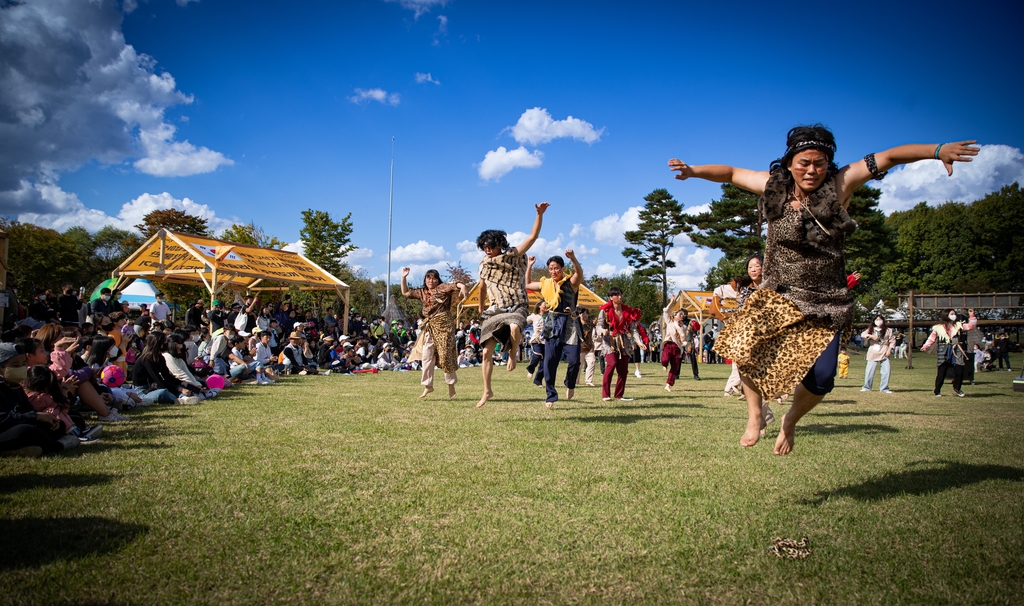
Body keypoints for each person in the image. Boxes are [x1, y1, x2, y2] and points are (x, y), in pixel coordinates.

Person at [671, 126, 978, 454]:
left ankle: (790, 420)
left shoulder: (839, 184)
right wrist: (693, 172)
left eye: (819, 163)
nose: (812, 170)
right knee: (741, 344)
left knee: (822, 378)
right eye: (804, 162)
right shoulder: (774, 186)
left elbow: (887, 157)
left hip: (825, 300)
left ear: (828, 163)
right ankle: (755, 415)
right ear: (790, 162)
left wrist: (937, 150)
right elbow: (731, 173)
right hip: (779, 292)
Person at [474, 203, 549, 408]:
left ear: (499, 245)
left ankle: (513, 354)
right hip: (496, 308)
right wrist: (481, 308)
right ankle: (487, 390)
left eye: (491, 247)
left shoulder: (513, 256)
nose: (488, 251)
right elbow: (481, 287)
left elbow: (532, 237)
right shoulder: (484, 264)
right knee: (486, 352)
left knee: (516, 327)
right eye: (485, 247)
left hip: (517, 304)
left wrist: (539, 215)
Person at [526, 250, 584, 406]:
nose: (553, 271)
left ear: (562, 268)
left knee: (574, 361)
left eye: (556, 268)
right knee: (550, 361)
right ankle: (550, 394)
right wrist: (529, 265)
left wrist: (573, 258)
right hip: (552, 322)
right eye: (551, 268)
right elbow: (528, 284)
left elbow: (579, 273)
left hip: (570, 323)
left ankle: (570, 383)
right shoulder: (545, 283)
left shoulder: (570, 283)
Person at [401, 267, 468, 399]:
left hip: (444, 326)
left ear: (438, 280)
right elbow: (405, 292)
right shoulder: (422, 292)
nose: (431, 280)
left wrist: (463, 286)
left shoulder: (442, 288)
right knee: (427, 356)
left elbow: (455, 285)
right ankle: (428, 386)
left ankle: (451, 386)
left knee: (445, 355)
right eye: (428, 277)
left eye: (434, 278)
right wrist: (403, 277)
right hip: (430, 326)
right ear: (425, 279)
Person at [596, 286, 646, 401]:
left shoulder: (626, 311)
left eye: (620, 294)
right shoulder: (605, 311)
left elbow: (633, 329)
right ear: (611, 297)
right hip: (609, 340)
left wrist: (639, 342)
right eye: (617, 295)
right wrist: (602, 331)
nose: (620, 296)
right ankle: (605, 395)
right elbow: (599, 325)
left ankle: (619, 394)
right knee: (611, 364)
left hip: (623, 341)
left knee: (623, 369)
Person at [921, 308, 977, 397]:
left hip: (956, 349)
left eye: (954, 313)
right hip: (944, 350)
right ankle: (937, 390)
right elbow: (931, 338)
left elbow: (971, 326)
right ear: (946, 315)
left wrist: (972, 316)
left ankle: (957, 387)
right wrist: (925, 346)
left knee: (960, 370)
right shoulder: (938, 328)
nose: (953, 315)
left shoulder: (958, 325)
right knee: (941, 372)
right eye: (951, 313)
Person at [660, 292, 690, 393]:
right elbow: (665, 311)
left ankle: (668, 385)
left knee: (675, 367)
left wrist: (684, 343)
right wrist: (671, 302)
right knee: (665, 358)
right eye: (679, 314)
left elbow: (683, 338)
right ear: (675, 315)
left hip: (677, 348)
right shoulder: (670, 322)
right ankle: (664, 364)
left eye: (682, 315)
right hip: (669, 344)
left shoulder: (684, 327)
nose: (681, 316)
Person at [861, 315, 895, 393]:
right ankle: (867, 387)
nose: (878, 321)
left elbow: (892, 341)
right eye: (876, 319)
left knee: (886, 370)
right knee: (869, 370)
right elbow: (863, 334)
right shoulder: (870, 329)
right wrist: (871, 336)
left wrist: (890, 350)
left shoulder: (888, 330)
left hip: (884, 350)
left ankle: (884, 388)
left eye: (880, 319)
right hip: (873, 350)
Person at [524, 300, 548, 387]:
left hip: (546, 341)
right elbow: (524, 322)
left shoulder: (549, 316)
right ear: (539, 306)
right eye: (545, 305)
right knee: (537, 355)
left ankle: (538, 380)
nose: (546, 307)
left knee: (545, 362)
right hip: (536, 340)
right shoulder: (534, 316)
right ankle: (531, 369)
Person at [579, 309, 596, 387]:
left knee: (592, 362)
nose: (585, 315)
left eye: (586, 313)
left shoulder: (590, 323)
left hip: (589, 347)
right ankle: (575, 380)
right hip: (579, 347)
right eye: (583, 313)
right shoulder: (577, 323)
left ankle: (589, 380)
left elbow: (598, 319)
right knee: (579, 365)